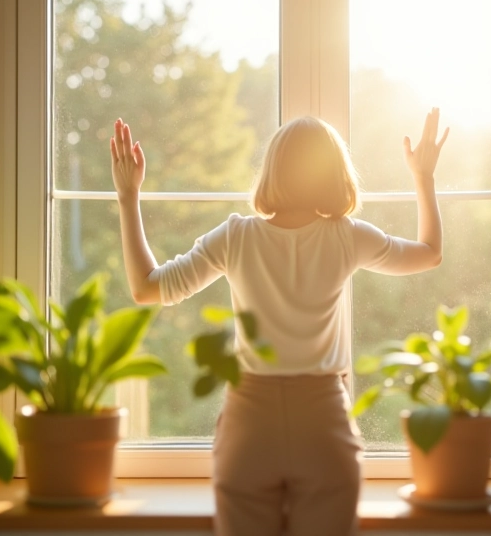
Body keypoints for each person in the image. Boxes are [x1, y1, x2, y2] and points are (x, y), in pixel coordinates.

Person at [109, 110, 450, 536]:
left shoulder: (235, 236)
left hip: (250, 426)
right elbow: (430, 253)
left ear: (272, 171)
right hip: (324, 423)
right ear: (335, 173)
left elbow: (146, 288)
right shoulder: (346, 235)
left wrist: (127, 197)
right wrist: (423, 176)